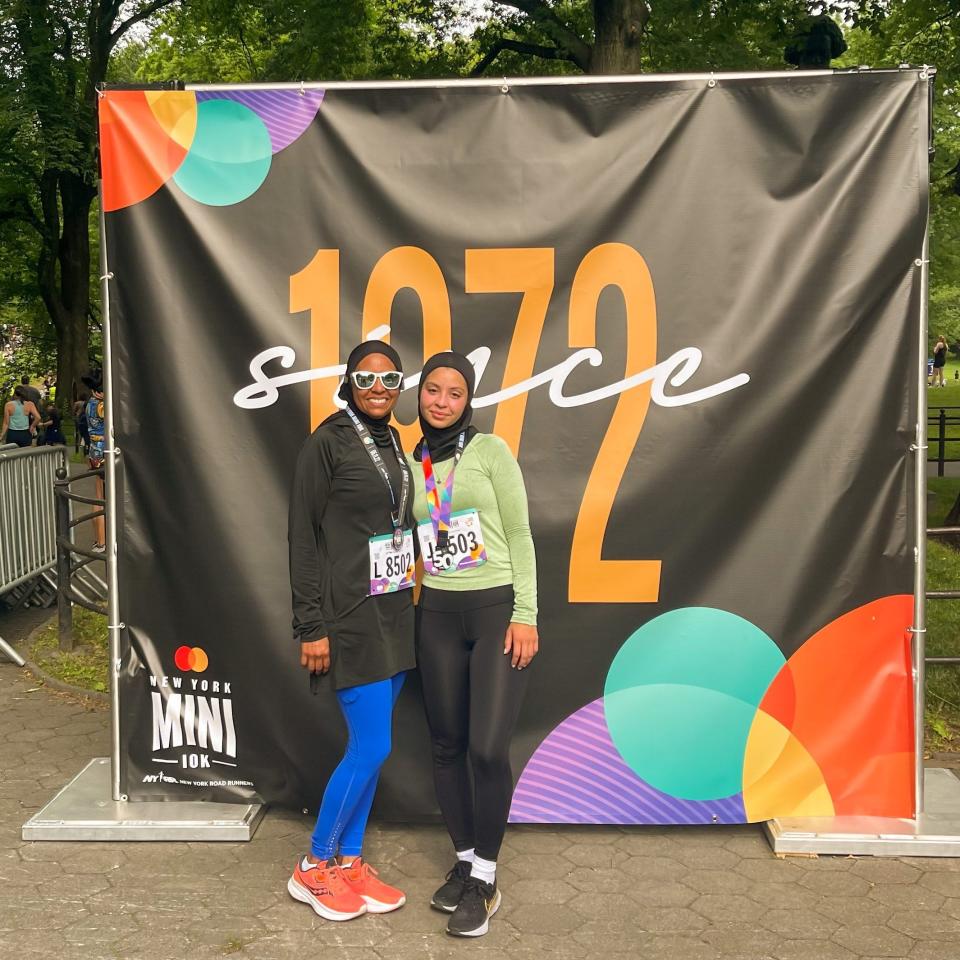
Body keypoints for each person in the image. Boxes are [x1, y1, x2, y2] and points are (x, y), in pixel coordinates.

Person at [407, 351, 539, 938]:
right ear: (420, 397)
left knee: (486, 749)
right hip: (434, 609)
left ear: (469, 400)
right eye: (432, 390)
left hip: (494, 609)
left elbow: (519, 533)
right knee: (445, 744)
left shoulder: (490, 453)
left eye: (454, 393)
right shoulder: (408, 463)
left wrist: (525, 613)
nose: (441, 401)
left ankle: (486, 879)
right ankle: (464, 862)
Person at [287, 340, 415, 922]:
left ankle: (350, 862)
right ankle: (314, 865)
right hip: (347, 618)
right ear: (349, 381)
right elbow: (302, 538)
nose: (380, 388)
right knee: (372, 746)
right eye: (367, 378)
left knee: (374, 748)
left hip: (393, 612)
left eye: (391, 379)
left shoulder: (394, 440)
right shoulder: (328, 441)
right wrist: (310, 623)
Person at [82, 374, 107, 553]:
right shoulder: (102, 406)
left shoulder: (89, 404)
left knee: (98, 497)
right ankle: (102, 541)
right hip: (104, 452)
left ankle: (99, 541)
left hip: (93, 451)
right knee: (103, 499)